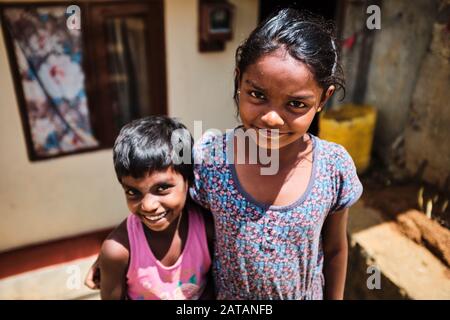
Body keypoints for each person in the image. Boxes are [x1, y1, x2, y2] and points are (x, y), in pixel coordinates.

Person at [87, 8, 362, 300]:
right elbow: (164, 201)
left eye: (296, 104)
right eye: (257, 94)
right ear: (238, 81)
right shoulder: (209, 159)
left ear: (323, 99)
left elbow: (334, 250)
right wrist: (118, 250)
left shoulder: (333, 167)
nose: (271, 118)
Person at [92, 116, 214, 300]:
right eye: (133, 192)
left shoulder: (208, 227)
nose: (148, 205)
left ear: (187, 180)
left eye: (162, 188)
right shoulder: (117, 252)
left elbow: (216, 285)